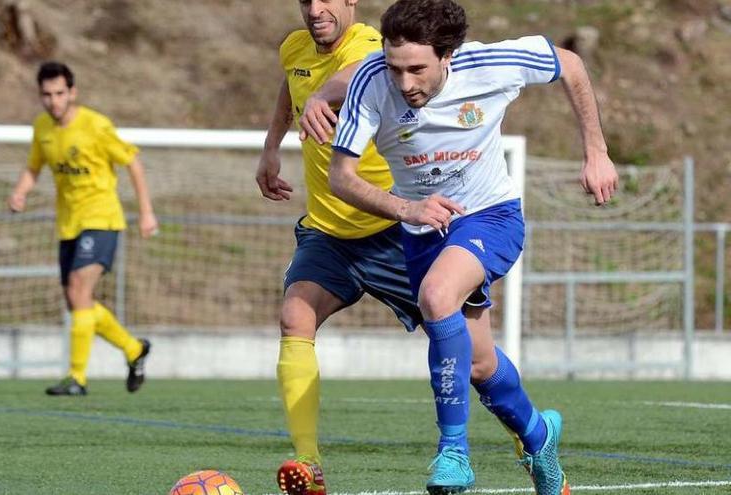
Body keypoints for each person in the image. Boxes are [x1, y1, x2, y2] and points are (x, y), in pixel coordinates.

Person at [328, 1, 618, 494]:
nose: (404, 83)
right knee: (479, 363)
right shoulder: (371, 80)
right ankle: (538, 435)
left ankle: (453, 453)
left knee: (438, 297)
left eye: (417, 69)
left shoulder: (491, 64)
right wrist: (406, 209)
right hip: (423, 230)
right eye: (396, 68)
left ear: (448, 56)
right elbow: (341, 178)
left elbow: (570, 63)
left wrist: (596, 149)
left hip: (492, 215)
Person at [258, 2, 513, 494]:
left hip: (397, 224)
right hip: (329, 232)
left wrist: (322, 95)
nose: (316, 9)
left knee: (479, 362)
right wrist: (272, 145)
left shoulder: (372, 46)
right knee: (295, 317)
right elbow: (290, 87)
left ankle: (527, 436)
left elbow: (361, 70)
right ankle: (309, 466)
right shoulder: (293, 46)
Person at [8, 61, 159, 396]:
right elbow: (34, 167)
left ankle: (76, 377)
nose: (53, 101)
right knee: (77, 300)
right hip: (68, 224)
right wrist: (20, 191)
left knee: (78, 290)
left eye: (60, 93)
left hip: (102, 219)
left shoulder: (95, 125)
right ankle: (134, 349)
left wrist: (146, 212)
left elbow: (132, 161)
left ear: (72, 92)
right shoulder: (43, 128)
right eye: (46, 95)